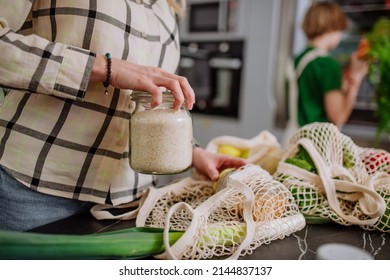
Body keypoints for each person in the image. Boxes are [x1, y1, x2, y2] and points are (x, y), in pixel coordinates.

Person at [0, 0, 246, 231]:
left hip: (130, 200)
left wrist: (190, 151)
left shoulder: (168, 5)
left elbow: (154, 103)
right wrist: (106, 68)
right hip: (32, 187)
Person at [294, 1, 368, 128]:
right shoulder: (328, 64)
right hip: (316, 143)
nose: (340, 36)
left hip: (295, 139)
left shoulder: (298, 59)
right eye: (340, 30)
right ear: (331, 28)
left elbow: (311, 97)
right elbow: (338, 118)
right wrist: (356, 77)